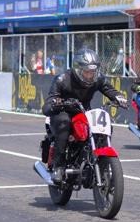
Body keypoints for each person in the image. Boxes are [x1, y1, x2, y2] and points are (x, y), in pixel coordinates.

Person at [42, 49, 125, 184]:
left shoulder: (97, 79)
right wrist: (57, 102)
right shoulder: (62, 79)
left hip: (83, 111)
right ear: (78, 69)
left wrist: (118, 97)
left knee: (103, 123)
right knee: (64, 123)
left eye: (93, 71)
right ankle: (59, 166)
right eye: (87, 71)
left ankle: (99, 158)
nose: (90, 75)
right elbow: (48, 104)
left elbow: (108, 88)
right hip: (63, 111)